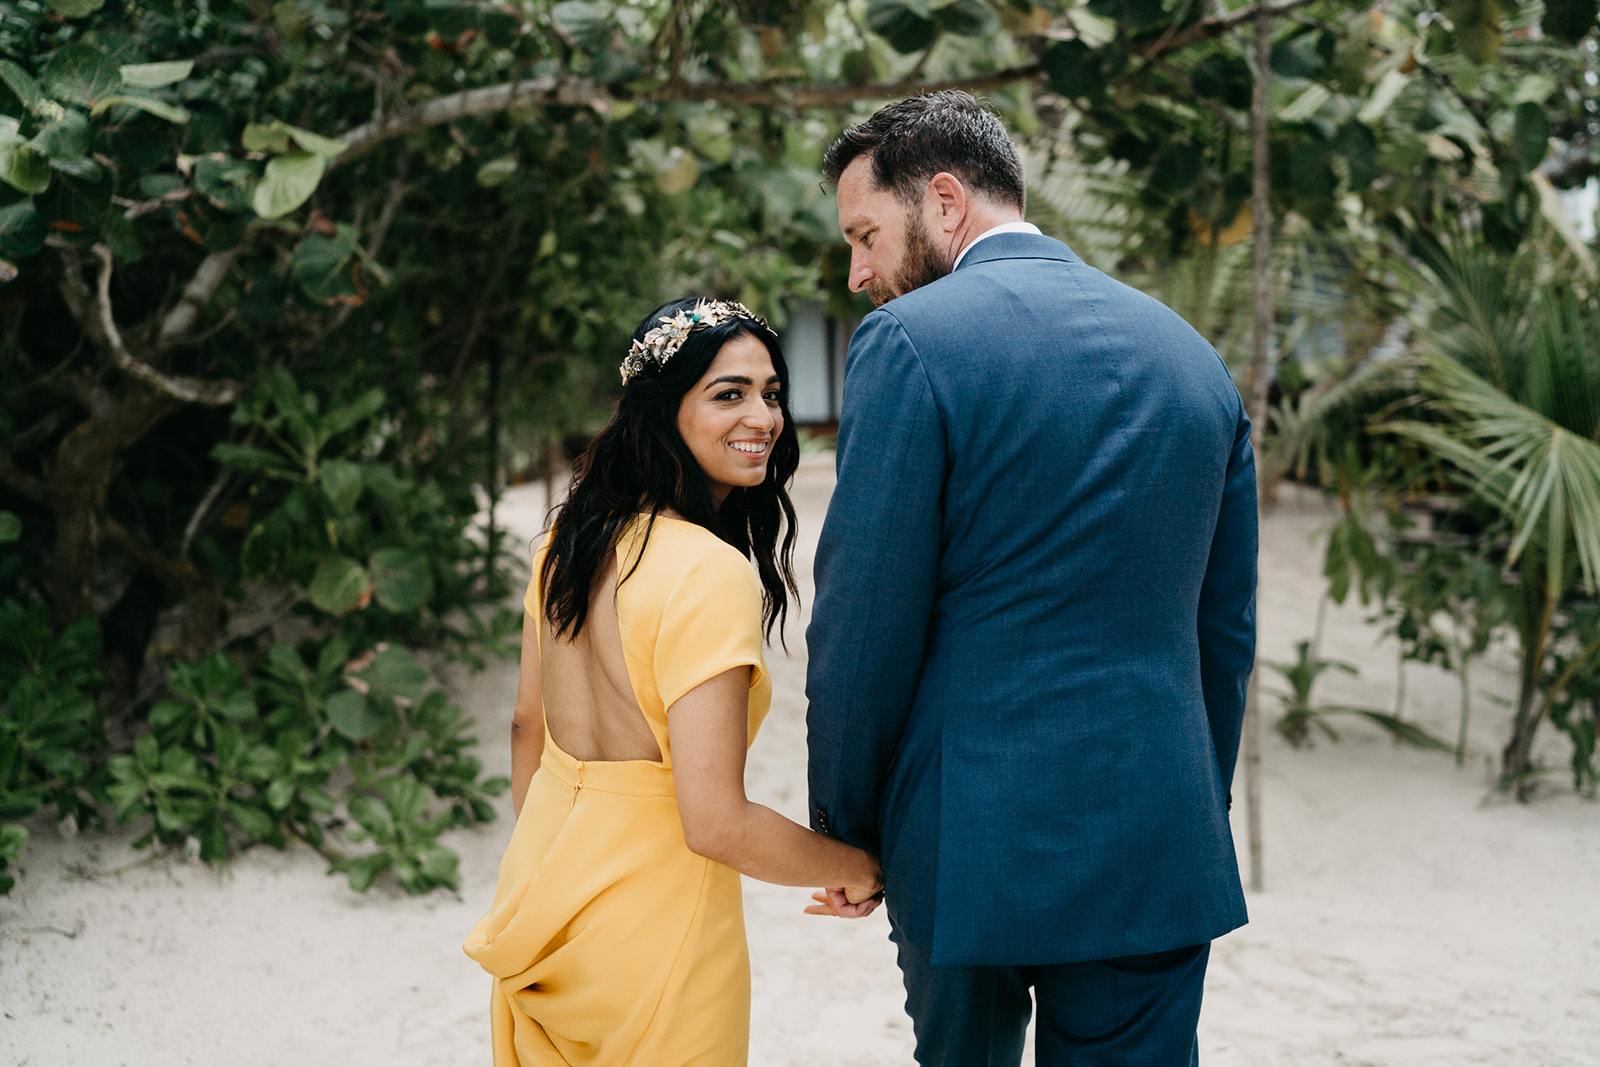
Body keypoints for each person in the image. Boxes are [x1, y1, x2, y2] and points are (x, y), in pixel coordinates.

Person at [805, 92, 1258, 1065]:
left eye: (865, 235)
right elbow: (1222, 633)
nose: (859, 273)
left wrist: (844, 827)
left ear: (942, 199)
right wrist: (1191, 798)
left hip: (968, 841)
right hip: (1158, 837)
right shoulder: (1196, 361)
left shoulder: (911, 343)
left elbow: (863, 622)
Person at [464, 297, 883, 1066]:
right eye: (729, 393)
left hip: (546, 899)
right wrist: (860, 864)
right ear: (664, 413)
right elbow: (715, 821)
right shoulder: (708, 571)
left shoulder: (565, 540)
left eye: (771, 392)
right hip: (658, 927)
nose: (763, 415)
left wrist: (549, 875)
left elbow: (530, 724)